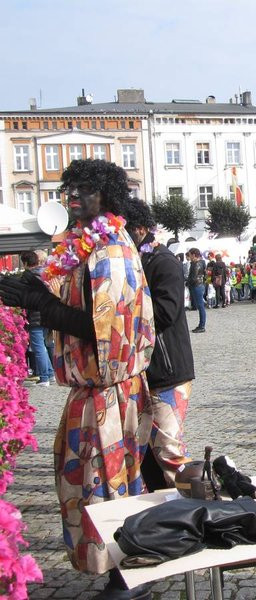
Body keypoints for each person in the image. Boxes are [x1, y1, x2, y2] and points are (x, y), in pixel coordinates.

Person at [0, 159, 155, 598]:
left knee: (111, 483)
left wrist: (39, 305)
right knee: (95, 484)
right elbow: (64, 290)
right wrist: (32, 288)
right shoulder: (83, 246)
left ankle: (127, 573)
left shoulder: (110, 250)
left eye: (86, 188)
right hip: (92, 390)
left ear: (107, 196)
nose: (74, 196)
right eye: (71, 188)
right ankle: (119, 567)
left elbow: (100, 328)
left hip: (110, 392)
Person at [124, 199, 195, 490]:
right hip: (145, 372)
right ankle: (162, 510)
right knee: (148, 456)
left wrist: (125, 307)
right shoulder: (137, 261)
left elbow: (167, 312)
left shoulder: (162, 261)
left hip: (167, 371)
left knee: (169, 449)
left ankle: (200, 502)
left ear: (140, 230)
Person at [19, 250, 54, 386]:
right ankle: (50, 374)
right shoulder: (45, 274)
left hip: (35, 316)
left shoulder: (27, 278)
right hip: (48, 314)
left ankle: (44, 377)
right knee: (44, 345)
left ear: (26, 263)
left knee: (38, 347)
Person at [187, 248, 207, 332]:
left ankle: (202, 326)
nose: (189, 256)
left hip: (196, 285)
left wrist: (187, 282)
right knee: (200, 305)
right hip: (200, 284)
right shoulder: (201, 262)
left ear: (194, 255)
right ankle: (201, 325)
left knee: (200, 306)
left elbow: (194, 277)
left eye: (190, 254)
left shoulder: (196, 264)